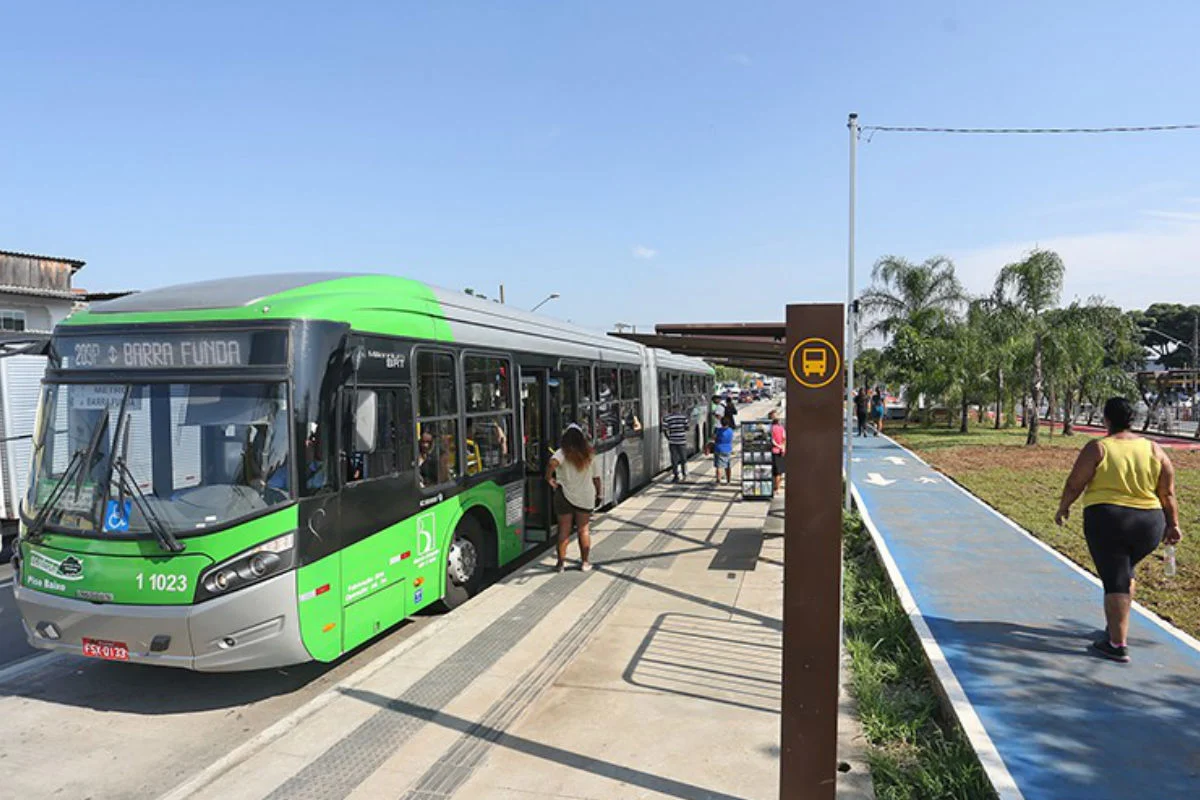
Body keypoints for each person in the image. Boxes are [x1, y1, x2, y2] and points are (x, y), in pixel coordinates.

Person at [1055, 397, 1182, 663]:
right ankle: (1114, 626)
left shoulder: (1098, 447)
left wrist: (1064, 507)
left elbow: (1074, 483)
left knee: (1115, 581)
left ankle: (1116, 644)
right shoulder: (1154, 449)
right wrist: (1173, 524)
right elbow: (1167, 492)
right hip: (1149, 524)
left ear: (1106, 420)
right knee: (1125, 572)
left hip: (1108, 520)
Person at [546, 425, 602, 573]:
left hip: (564, 495)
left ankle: (560, 564)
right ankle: (585, 563)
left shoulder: (562, 453)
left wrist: (549, 478)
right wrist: (599, 494)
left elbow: (552, 464)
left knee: (563, 530)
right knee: (583, 530)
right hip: (585, 496)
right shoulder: (589, 454)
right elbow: (596, 478)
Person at [662, 404, 691, 482]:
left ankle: (676, 476)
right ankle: (685, 474)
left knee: (674, 459)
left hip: (672, 441)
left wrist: (668, 437)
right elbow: (687, 428)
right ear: (679, 408)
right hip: (682, 441)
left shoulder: (667, 418)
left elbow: (664, 429)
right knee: (683, 458)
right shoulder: (684, 417)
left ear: (672, 409)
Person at [711, 416, 735, 485]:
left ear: (721, 423)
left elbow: (714, 438)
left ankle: (718, 480)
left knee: (719, 466)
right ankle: (728, 481)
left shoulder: (719, 430)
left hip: (719, 449)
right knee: (727, 466)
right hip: (728, 449)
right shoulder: (730, 430)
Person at [769, 410, 786, 494]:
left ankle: (774, 488)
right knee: (780, 471)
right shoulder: (781, 428)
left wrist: (778, 446)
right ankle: (777, 488)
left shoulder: (771, 428)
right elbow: (784, 438)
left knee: (774, 471)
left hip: (774, 450)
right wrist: (782, 447)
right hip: (781, 451)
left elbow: (771, 440)